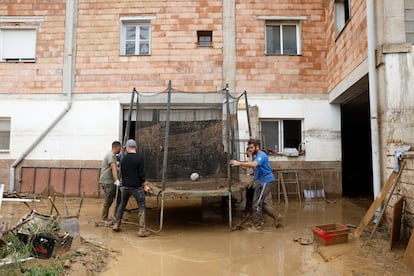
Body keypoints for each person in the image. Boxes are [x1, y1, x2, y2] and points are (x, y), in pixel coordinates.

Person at [230, 138, 282, 230]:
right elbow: (254, 168)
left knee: (257, 204)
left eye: (251, 147)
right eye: (249, 147)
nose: (250, 149)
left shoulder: (261, 155)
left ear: (257, 147)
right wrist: (243, 165)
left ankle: (257, 225)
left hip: (266, 181)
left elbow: (254, 165)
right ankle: (277, 217)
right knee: (258, 202)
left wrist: (239, 163)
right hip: (260, 182)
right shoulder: (257, 156)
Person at [113, 139, 151, 237]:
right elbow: (141, 174)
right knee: (141, 205)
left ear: (127, 148)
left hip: (124, 186)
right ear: (135, 148)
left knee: (122, 204)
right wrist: (145, 185)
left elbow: (121, 173)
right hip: (136, 187)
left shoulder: (123, 159)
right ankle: (142, 230)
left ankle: (116, 224)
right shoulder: (139, 158)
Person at [99, 140, 121, 221]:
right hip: (107, 182)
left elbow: (115, 167)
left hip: (109, 181)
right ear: (117, 147)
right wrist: (117, 180)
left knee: (118, 198)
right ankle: (104, 218)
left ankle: (115, 216)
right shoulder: (111, 155)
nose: (120, 149)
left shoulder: (113, 155)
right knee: (108, 200)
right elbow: (113, 169)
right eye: (120, 148)